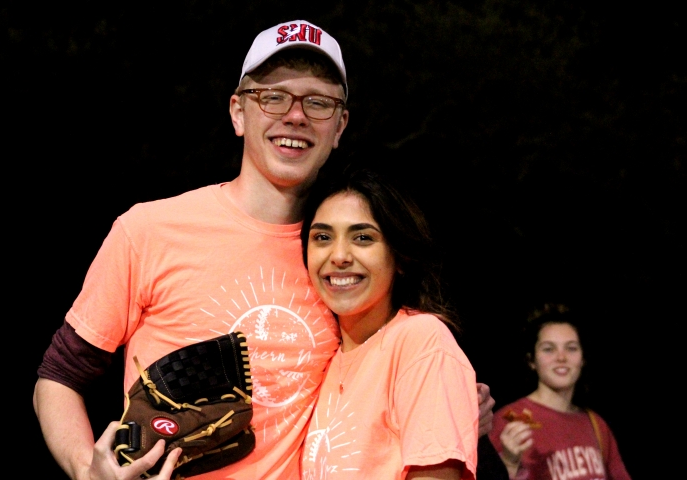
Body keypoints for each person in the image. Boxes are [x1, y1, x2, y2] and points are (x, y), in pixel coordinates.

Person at [33, 19, 494, 480]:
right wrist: (86, 468)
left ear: (339, 126)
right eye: (272, 96)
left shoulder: (341, 267)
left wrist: (446, 409)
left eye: (318, 102)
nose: (295, 116)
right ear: (238, 112)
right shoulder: (148, 230)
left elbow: (389, 376)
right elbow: (58, 376)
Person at [299, 167, 478, 479]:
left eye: (363, 237)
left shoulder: (421, 340)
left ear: (401, 258)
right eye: (323, 237)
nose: (339, 255)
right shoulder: (328, 365)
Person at [488, 304, 631, 480]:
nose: (561, 357)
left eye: (571, 348)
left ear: (583, 358)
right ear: (531, 360)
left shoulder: (596, 424)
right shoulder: (507, 422)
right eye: (549, 349)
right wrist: (509, 462)